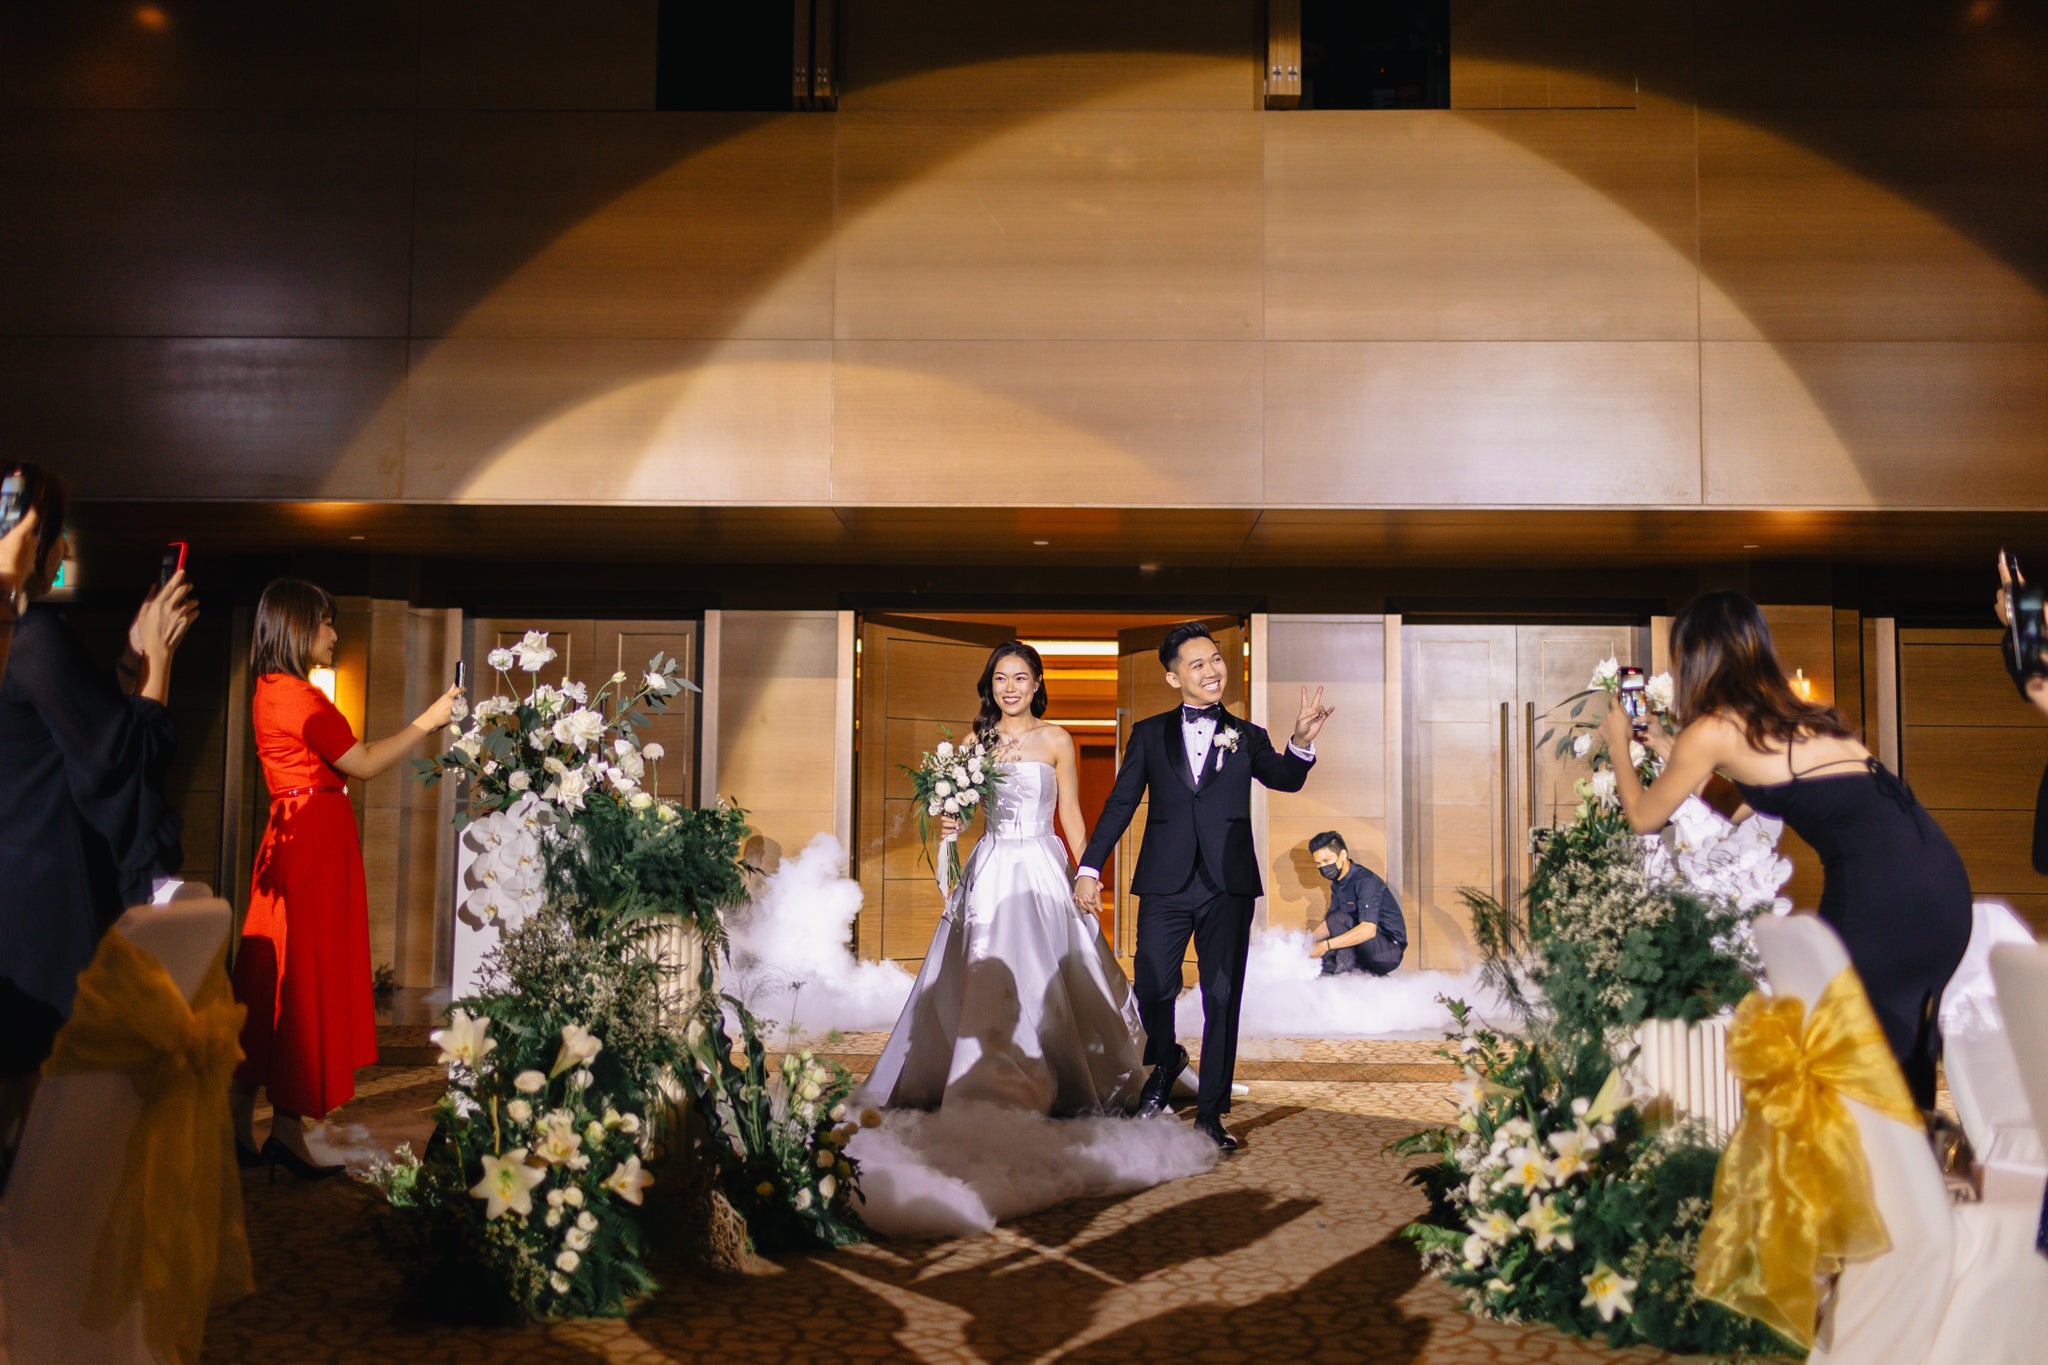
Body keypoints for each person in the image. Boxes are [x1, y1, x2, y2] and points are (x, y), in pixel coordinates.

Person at [1601, 590, 1970, 1109]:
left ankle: (1857, 1178)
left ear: (1696, 657)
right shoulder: (1807, 716)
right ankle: (1911, 1171)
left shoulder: (1712, 728)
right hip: (1942, 890)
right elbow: (1738, 808)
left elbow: (1643, 817)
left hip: (1882, 897)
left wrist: (1620, 743)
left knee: (1831, 1053)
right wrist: (1669, 750)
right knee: (1896, 1044)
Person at [0, 463, 196, 1183]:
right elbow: (120, 759)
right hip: (41, 912)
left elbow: (65, 735)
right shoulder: (32, 635)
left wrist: (128, 661)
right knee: (45, 1155)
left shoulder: (14, 639)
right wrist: (162, 662)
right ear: (36, 540)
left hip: (13, 894)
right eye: (55, 535)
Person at [229, 579, 462, 1177]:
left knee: (282, 980)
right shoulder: (297, 697)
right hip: (308, 844)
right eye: (327, 623)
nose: (335, 634)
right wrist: (428, 721)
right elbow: (361, 764)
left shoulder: (274, 690)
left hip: (305, 837)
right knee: (299, 981)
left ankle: (268, 1127)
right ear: (299, 627)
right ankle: (261, 1127)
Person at [1075, 622, 1334, 1150]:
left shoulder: (1249, 735)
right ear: (1174, 678)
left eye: (1215, 660)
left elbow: (1284, 777)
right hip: (1164, 883)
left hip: (1228, 886)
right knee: (1152, 985)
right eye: (1197, 664)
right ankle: (1166, 1058)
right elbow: (1121, 802)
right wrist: (1089, 867)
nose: (1211, 670)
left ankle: (1211, 1116)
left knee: (1222, 997)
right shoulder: (1148, 734)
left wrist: (1301, 742)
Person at [860, 641, 1147, 1116]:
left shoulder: (1057, 739)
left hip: (1041, 862)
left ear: (1036, 684)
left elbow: (1071, 817)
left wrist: (1089, 874)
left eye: (1019, 678)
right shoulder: (975, 744)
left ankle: (1061, 1074)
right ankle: (988, 1075)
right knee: (983, 963)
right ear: (989, 686)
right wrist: (950, 822)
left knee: (1055, 966)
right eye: (1000, 678)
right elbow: (963, 812)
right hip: (992, 863)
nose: (1010, 688)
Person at [1307, 831, 1405, 976]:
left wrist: (1325, 945)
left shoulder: (1366, 882)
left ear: (1342, 855)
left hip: (1387, 952)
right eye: (1318, 863)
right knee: (1321, 960)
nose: (1323, 867)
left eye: (1326, 861)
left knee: (1336, 921)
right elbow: (1329, 924)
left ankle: (1345, 977)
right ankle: (1356, 973)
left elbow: (1368, 930)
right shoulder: (1338, 883)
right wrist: (1305, 943)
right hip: (1366, 947)